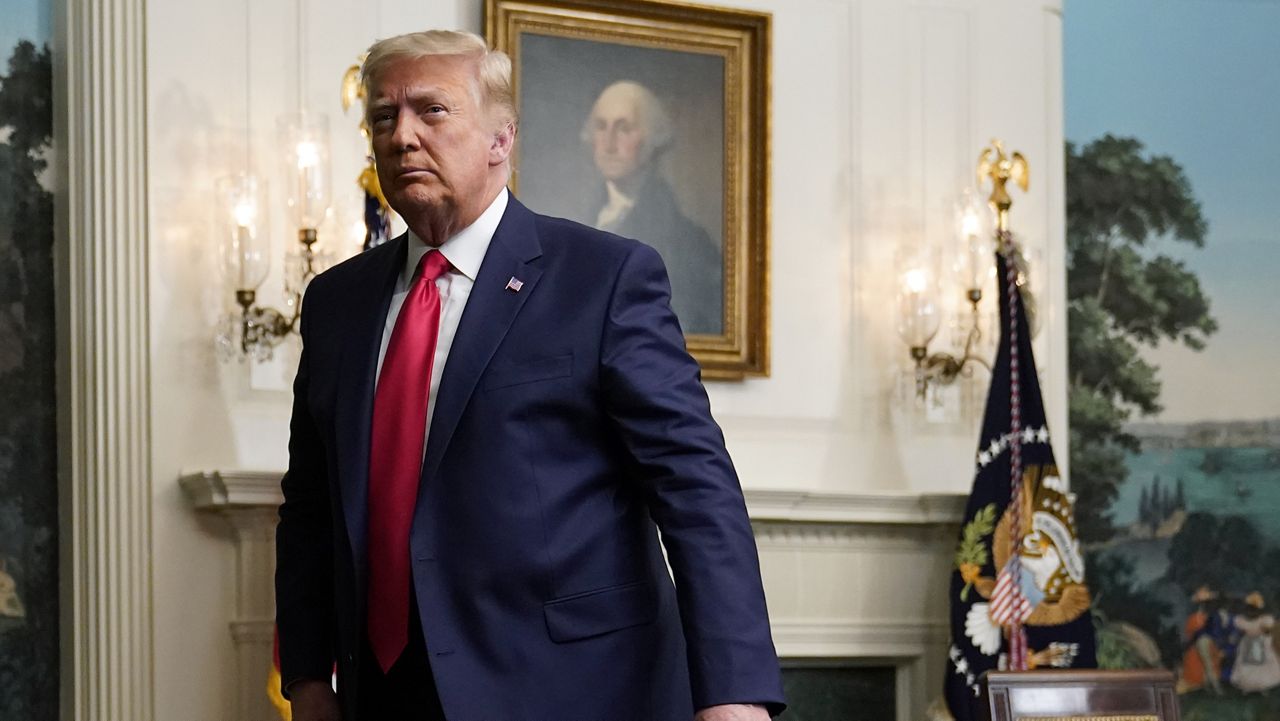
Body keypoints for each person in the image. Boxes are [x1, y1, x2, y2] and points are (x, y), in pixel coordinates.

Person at [275, 30, 784, 721]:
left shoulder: (603, 278)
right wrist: (308, 677)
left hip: (576, 690)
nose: (403, 137)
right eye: (384, 117)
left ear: (501, 138)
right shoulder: (337, 303)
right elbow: (310, 507)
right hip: (387, 694)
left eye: (433, 111)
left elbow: (697, 490)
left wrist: (733, 692)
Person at [578, 80, 723, 335]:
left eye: (624, 129)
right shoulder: (581, 220)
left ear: (652, 139)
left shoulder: (690, 242)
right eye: (601, 127)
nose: (609, 143)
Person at [1230, 592, 1280, 693]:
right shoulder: (1242, 620)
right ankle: (1248, 686)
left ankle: (1262, 687)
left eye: (1254, 609)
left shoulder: (1264, 619)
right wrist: (1235, 637)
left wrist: (1265, 630)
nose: (1252, 612)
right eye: (1250, 609)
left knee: (1261, 666)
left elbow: (1269, 631)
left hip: (1261, 642)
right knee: (1248, 666)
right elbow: (1239, 631)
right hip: (1248, 643)